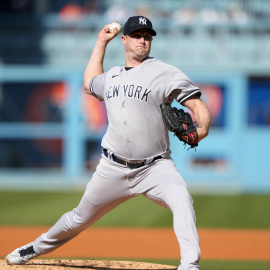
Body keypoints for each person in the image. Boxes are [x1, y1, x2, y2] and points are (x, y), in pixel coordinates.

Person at [5, 16, 212, 270]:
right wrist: (101, 41)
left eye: (147, 36)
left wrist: (200, 130)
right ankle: (32, 249)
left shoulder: (164, 72)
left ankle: (190, 264)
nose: (143, 40)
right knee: (78, 218)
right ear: (124, 39)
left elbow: (197, 105)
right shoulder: (112, 76)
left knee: (181, 198)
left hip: (155, 167)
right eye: (137, 35)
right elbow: (89, 83)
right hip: (112, 168)